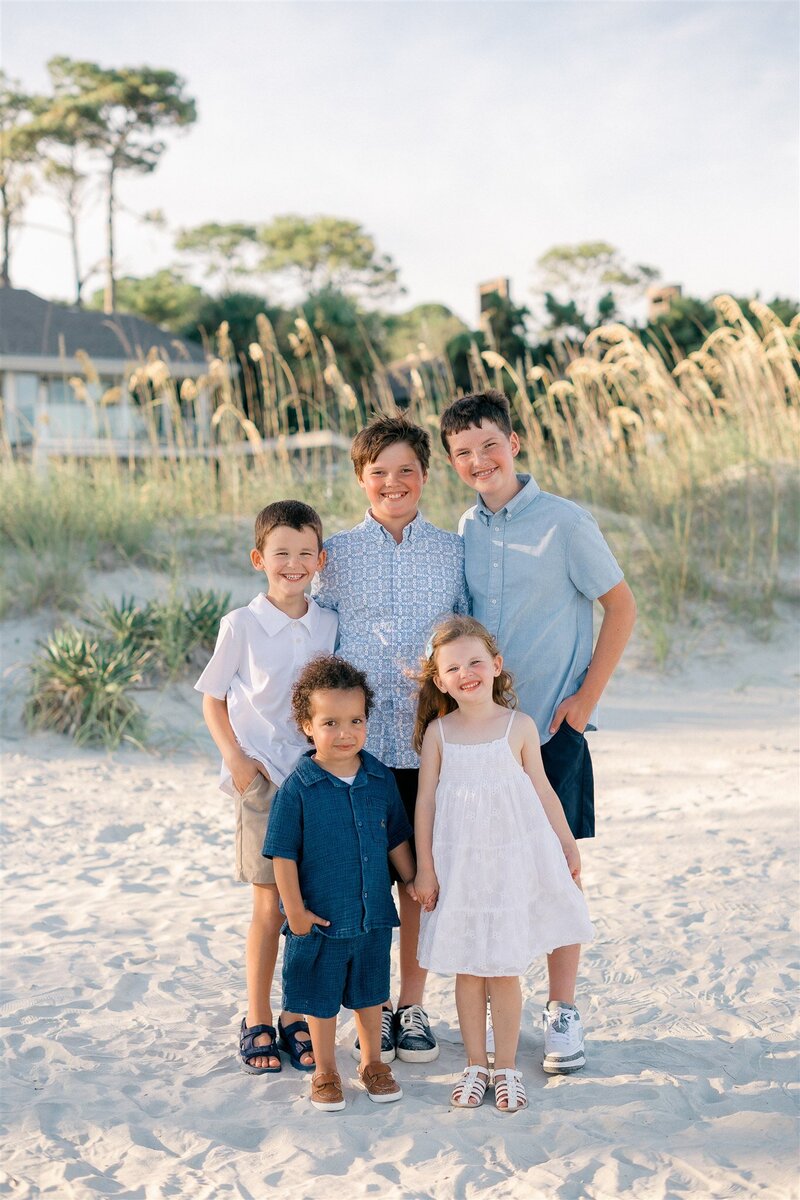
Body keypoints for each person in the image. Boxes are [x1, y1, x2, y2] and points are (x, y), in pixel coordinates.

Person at [439, 389, 636, 1075]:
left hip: (552, 725)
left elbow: (620, 606)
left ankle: (562, 1011)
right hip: (485, 734)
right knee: (494, 860)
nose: (478, 459)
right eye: (463, 452)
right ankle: (497, 992)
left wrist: (584, 701)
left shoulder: (564, 522)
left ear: (514, 443)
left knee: (557, 867)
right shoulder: (465, 527)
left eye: (489, 445)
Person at [312, 412, 469, 1065]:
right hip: (358, 749)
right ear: (361, 479)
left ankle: (411, 1007)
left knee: (420, 882)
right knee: (363, 883)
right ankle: (368, 1008)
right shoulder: (337, 555)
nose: (394, 483)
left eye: (407, 470)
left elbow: (472, 636)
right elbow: (309, 632)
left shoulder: (454, 552)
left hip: (430, 746)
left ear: (426, 476)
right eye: (380, 473)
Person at [412, 617, 594, 1111]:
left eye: (475, 661)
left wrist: (566, 844)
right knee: (470, 970)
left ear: (496, 666)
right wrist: (425, 869)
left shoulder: (519, 727)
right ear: (440, 680)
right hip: (461, 868)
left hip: (509, 866)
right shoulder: (439, 733)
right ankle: (476, 1064)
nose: (466, 672)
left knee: (504, 970)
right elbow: (425, 802)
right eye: (453, 667)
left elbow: (543, 791)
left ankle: (507, 1067)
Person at [195, 500, 337, 1075]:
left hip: (316, 778)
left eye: (306, 553)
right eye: (281, 553)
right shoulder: (242, 624)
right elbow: (212, 697)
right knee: (268, 904)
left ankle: (295, 1016)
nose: (294, 563)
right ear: (260, 558)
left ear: (321, 560)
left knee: (308, 906)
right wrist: (235, 758)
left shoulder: (328, 620)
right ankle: (256, 1016)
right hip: (263, 780)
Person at [264, 655, 417, 1112]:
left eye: (356, 720)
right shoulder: (299, 787)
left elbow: (395, 838)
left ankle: (372, 1063)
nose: (345, 732)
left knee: (372, 994)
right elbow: (282, 854)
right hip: (321, 918)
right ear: (307, 726)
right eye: (330, 722)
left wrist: (413, 878)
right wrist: (294, 912)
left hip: (372, 917)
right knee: (321, 998)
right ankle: (326, 1069)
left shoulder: (378, 779)